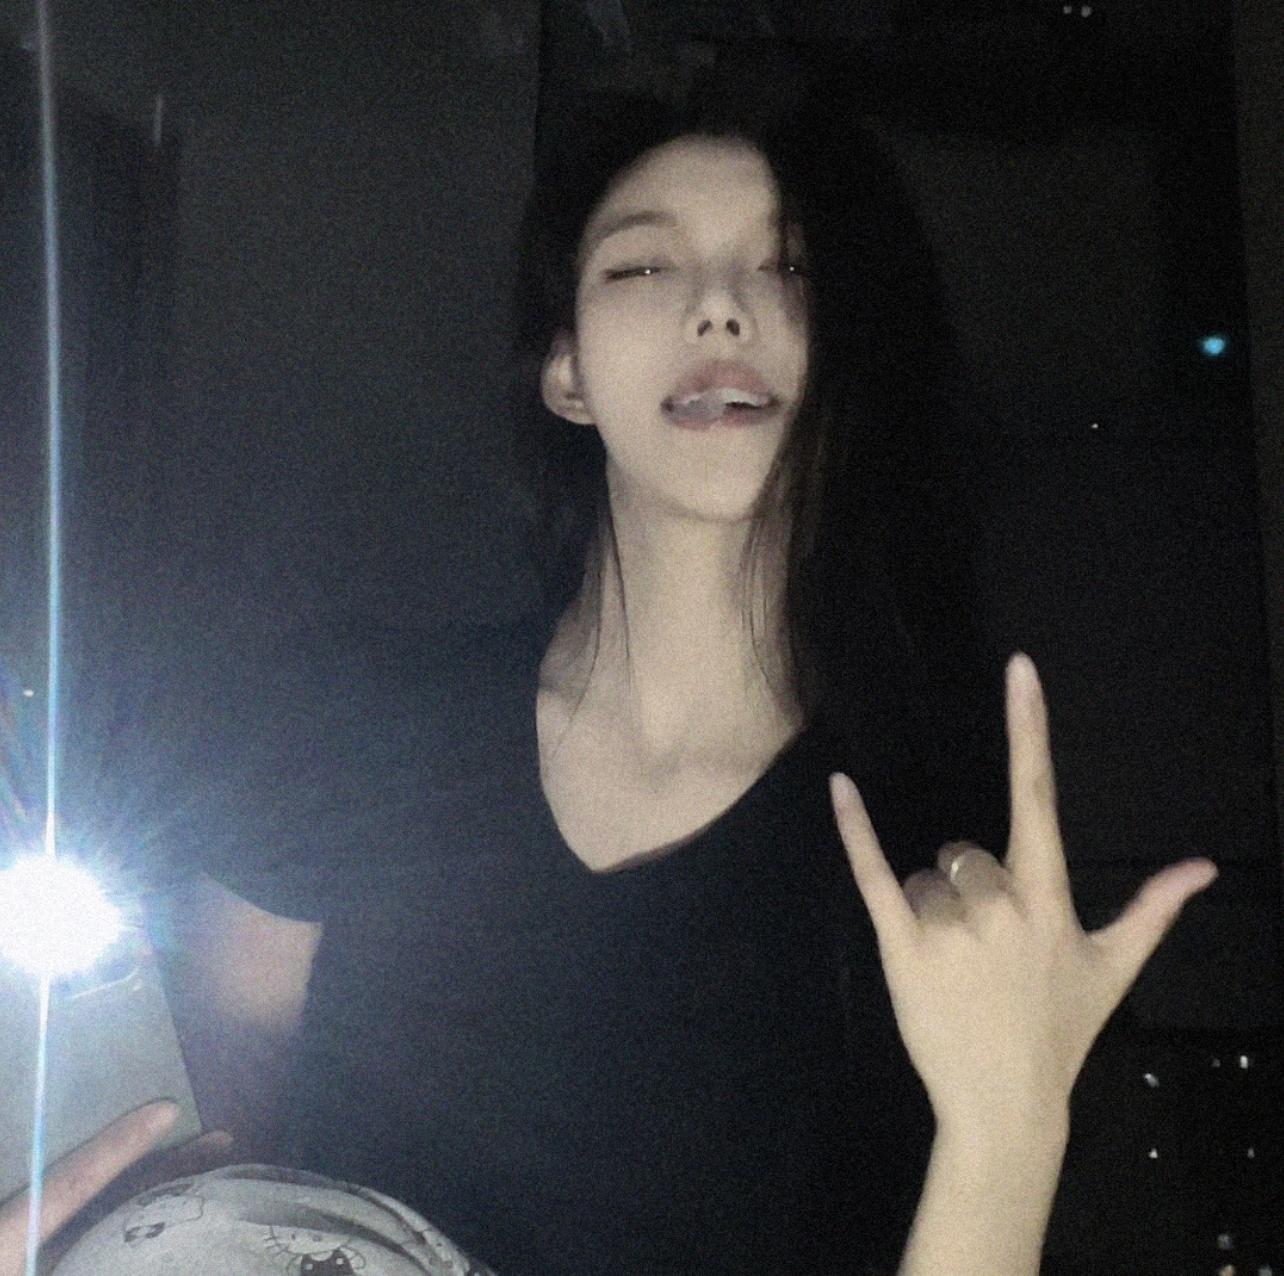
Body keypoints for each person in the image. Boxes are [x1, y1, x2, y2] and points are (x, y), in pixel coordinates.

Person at [1, 50, 1217, 1276]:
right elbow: (211, 1192)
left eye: (787, 266)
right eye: (643, 265)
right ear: (567, 371)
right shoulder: (342, 726)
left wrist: (1010, 1125)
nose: (721, 306)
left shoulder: (935, 851)